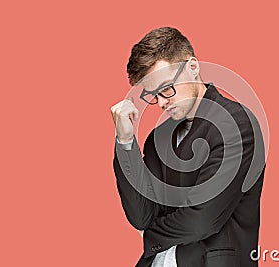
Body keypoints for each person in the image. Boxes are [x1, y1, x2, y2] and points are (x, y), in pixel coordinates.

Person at [111, 27, 266, 267]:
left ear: (192, 67)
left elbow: (202, 220)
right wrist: (125, 140)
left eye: (165, 88)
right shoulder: (159, 138)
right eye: (153, 95)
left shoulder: (236, 124)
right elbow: (141, 215)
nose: (161, 102)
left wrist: (151, 235)